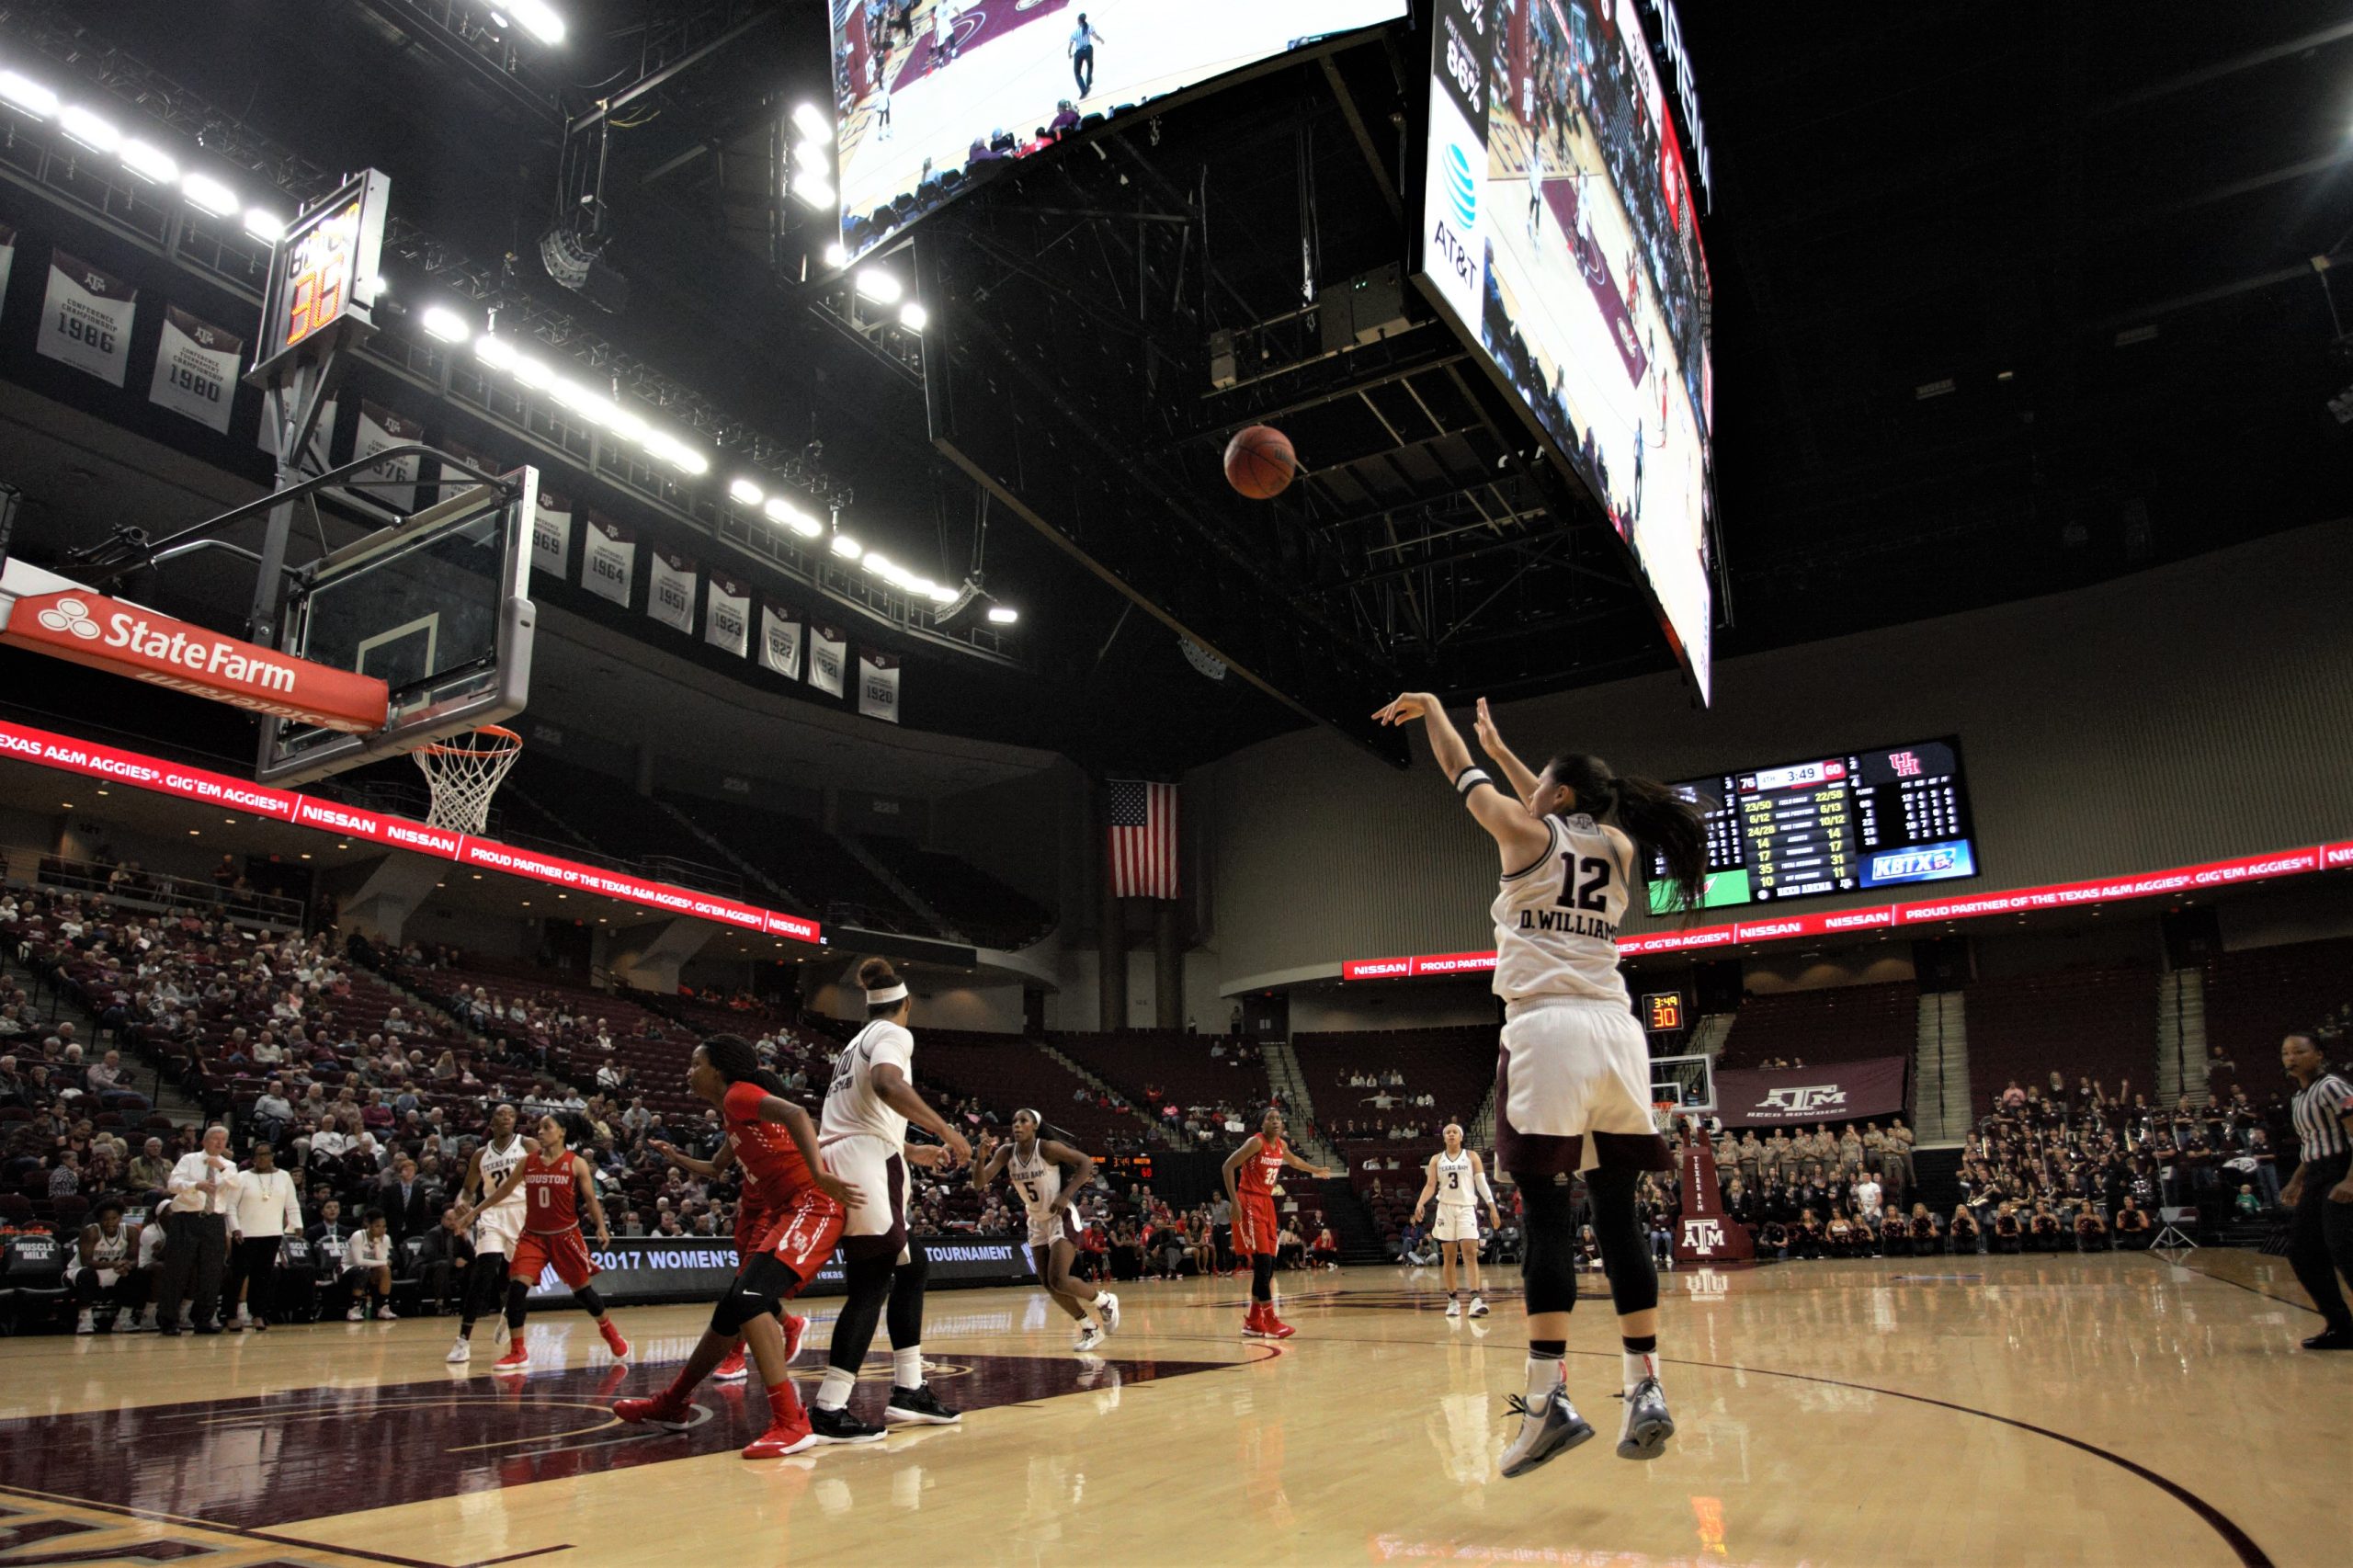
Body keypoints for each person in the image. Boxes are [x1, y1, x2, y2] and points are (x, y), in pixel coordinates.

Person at [1374, 692, 1705, 1477]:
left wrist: (1438, 717)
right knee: (1618, 1216)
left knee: (1550, 1217)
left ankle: (1549, 1396)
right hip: (1619, 1035)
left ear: (1553, 797)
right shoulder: (1620, 846)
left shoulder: (1524, 834)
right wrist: (1526, 761)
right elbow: (1557, 807)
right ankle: (1644, 1385)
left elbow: (1463, 772)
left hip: (1547, 1031)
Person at [613, 1037, 863, 1458]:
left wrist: (819, 1175)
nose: (689, 1072)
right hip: (789, 1209)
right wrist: (675, 1155)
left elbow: (798, 1112)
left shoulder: (740, 1094)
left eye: (695, 1064)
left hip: (813, 1206)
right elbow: (715, 1167)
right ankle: (673, 1402)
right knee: (731, 1307)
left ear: (719, 1068)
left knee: (750, 1298)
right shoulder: (733, 1110)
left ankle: (791, 1421)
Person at [811, 957, 973, 1439]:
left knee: (911, 1266)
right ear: (905, 1007)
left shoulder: (853, 1043)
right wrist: (943, 1128)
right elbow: (886, 1083)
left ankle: (909, 1388)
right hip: (865, 1161)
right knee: (872, 1282)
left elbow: (857, 1111)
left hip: (856, 1153)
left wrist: (907, 1147)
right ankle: (829, 1407)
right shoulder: (895, 1035)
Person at [457, 1112, 631, 1371]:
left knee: (584, 1294)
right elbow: (503, 1191)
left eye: (546, 1127)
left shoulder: (576, 1163)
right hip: (533, 1236)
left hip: (565, 1236)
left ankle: (610, 1333)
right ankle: (518, 1351)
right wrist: (473, 1211)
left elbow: (591, 1200)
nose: (540, 1132)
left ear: (561, 1132)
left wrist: (602, 1227)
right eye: (538, 1128)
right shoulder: (528, 1161)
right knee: (516, 1289)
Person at [645, 1128, 811, 1383]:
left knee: (742, 1287)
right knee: (747, 1285)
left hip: (772, 1207)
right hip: (749, 1207)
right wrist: (676, 1157)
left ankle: (736, 1356)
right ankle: (790, 1324)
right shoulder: (738, 1124)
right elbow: (713, 1167)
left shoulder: (768, 1120)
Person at [973, 1111, 1120, 1349]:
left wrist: (1065, 1194)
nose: (1017, 1125)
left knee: (1059, 1279)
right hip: (1036, 1220)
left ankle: (1105, 1301)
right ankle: (1089, 1328)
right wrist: (980, 1158)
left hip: (1060, 1216)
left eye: (1023, 1121)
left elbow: (1086, 1162)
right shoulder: (1005, 1152)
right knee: (1049, 1283)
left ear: (1035, 1126)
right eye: (1014, 1121)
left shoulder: (1047, 1148)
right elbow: (979, 1182)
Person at [1221, 1108, 1334, 1338]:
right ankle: (1270, 1322)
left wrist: (1316, 1170)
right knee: (1263, 1263)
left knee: (1269, 1266)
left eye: (1278, 1119)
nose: (1275, 1122)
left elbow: (1295, 1161)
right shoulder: (1256, 1142)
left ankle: (1253, 1321)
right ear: (1261, 1124)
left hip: (1266, 1203)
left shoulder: (1281, 1145)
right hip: (1249, 1201)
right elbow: (1227, 1167)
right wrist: (1234, 1202)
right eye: (1270, 1119)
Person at [2279, 1031, 2353, 1350]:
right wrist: (2296, 1181)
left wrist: (2351, 1181)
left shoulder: (2333, 1087)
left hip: (2342, 1170)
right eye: (2285, 1053)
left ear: (2319, 1055)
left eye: (2299, 1051)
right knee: (2303, 1252)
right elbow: (2312, 1147)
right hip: (2317, 1174)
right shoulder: (2298, 1098)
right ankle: (2340, 1326)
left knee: (2346, 1251)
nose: (2291, 1058)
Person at [448, 1104, 529, 1365]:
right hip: (491, 1213)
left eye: (511, 1115)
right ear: (491, 1122)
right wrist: (462, 1201)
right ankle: (463, 1340)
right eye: (501, 1115)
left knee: (519, 1280)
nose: (506, 1118)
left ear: (515, 1121)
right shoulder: (481, 1154)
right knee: (484, 1271)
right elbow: (468, 1190)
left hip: (522, 1212)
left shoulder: (527, 1144)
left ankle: (509, 1313)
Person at [1412, 1123, 1502, 1318]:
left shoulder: (1471, 1156)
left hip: (1466, 1208)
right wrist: (1420, 1203)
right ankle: (1453, 1300)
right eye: (1448, 1133)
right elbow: (1430, 1185)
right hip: (1445, 1209)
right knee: (1449, 1257)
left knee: (1470, 1252)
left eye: (1455, 1132)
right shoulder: (1436, 1159)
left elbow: (1481, 1183)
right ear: (1444, 1138)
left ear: (1461, 1137)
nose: (1451, 1135)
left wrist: (1492, 1206)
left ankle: (1476, 1299)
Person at [157, 1124, 235, 1335]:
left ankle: (204, 1319)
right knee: (177, 1270)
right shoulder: (189, 1159)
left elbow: (235, 1184)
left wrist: (220, 1166)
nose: (219, 1143)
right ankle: (168, 1320)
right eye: (215, 1139)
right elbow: (173, 1184)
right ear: (205, 1141)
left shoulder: (229, 1165)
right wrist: (196, 1186)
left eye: (223, 1140)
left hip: (214, 1220)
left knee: (211, 1272)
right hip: (187, 1219)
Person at [224, 1140, 301, 1330]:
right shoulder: (241, 1177)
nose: (263, 1158)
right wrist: (235, 1228)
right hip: (245, 1233)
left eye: (266, 1154)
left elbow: (291, 1203)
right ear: (253, 1158)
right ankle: (230, 1314)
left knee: (263, 1276)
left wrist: (297, 1224)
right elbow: (230, 1206)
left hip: (272, 1232)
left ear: (272, 1156)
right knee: (238, 1275)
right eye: (259, 1155)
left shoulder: (284, 1176)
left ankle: (258, 1313)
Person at [70, 1198, 141, 1334]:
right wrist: (115, 1263)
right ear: (99, 1220)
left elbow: (134, 1260)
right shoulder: (91, 1231)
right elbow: (86, 1262)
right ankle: (85, 1321)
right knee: (87, 1274)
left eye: (113, 1218)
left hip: (113, 1271)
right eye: (105, 1219)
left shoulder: (131, 1231)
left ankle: (123, 1319)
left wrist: (127, 1266)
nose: (109, 1223)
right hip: (80, 1272)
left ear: (120, 1217)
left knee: (137, 1274)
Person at [343, 1210, 396, 1322]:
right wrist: (384, 1262)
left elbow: (382, 1260)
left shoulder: (385, 1238)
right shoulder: (358, 1236)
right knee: (363, 1270)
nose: (381, 1229)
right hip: (347, 1269)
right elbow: (358, 1262)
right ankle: (353, 1308)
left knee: (385, 1270)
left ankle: (383, 1307)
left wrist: (377, 1244)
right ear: (368, 1225)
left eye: (384, 1226)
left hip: (369, 1270)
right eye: (377, 1226)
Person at [1067, 12, 1102, 97]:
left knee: (1077, 73)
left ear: (1079, 21)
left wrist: (1069, 54)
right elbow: (1095, 36)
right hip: (1088, 50)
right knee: (1090, 65)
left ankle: (1084, 90)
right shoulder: (1089, 27)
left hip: (1079, 53)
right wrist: (1101, 39)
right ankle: (1089, 82)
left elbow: (1070, 45)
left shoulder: (1075, 33)